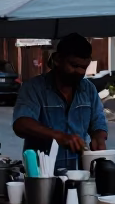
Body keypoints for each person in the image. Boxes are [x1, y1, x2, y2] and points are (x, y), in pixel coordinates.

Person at [12, 33, 108, 173]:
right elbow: (21, 124)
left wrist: (99, 138)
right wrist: (59, 137)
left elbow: (98, 122)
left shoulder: (88, 89)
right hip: (41, 175)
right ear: (58, 59)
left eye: (84, 67)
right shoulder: (34, 88)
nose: (79, 72)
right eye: (74, 65)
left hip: (79, 172)